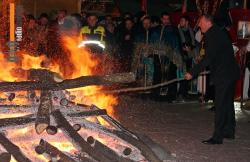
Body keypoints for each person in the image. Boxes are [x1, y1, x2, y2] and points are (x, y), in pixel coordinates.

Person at [184, 14, 240, 144]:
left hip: (224, 75)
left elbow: (208, 58)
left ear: (208, 22)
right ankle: (229, 131)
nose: (198, 25)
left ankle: (217, 137)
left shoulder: (212, 35)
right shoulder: (218, 32)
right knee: (227, 104)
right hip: (230, 73)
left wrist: (192, 73)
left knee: (220, 105)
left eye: (201, 23)